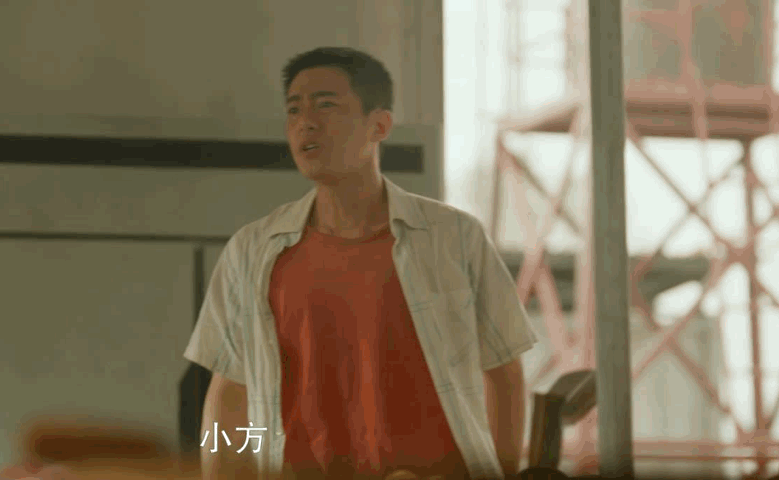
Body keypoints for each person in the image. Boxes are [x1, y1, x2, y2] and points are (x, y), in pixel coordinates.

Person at [183, 47, 538, 480]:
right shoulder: (251, 250)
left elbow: (504, 372)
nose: (306, 122)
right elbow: (229, 394)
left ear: (379, 125)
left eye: (325, 105)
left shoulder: (455, 237)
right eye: (294, 110)